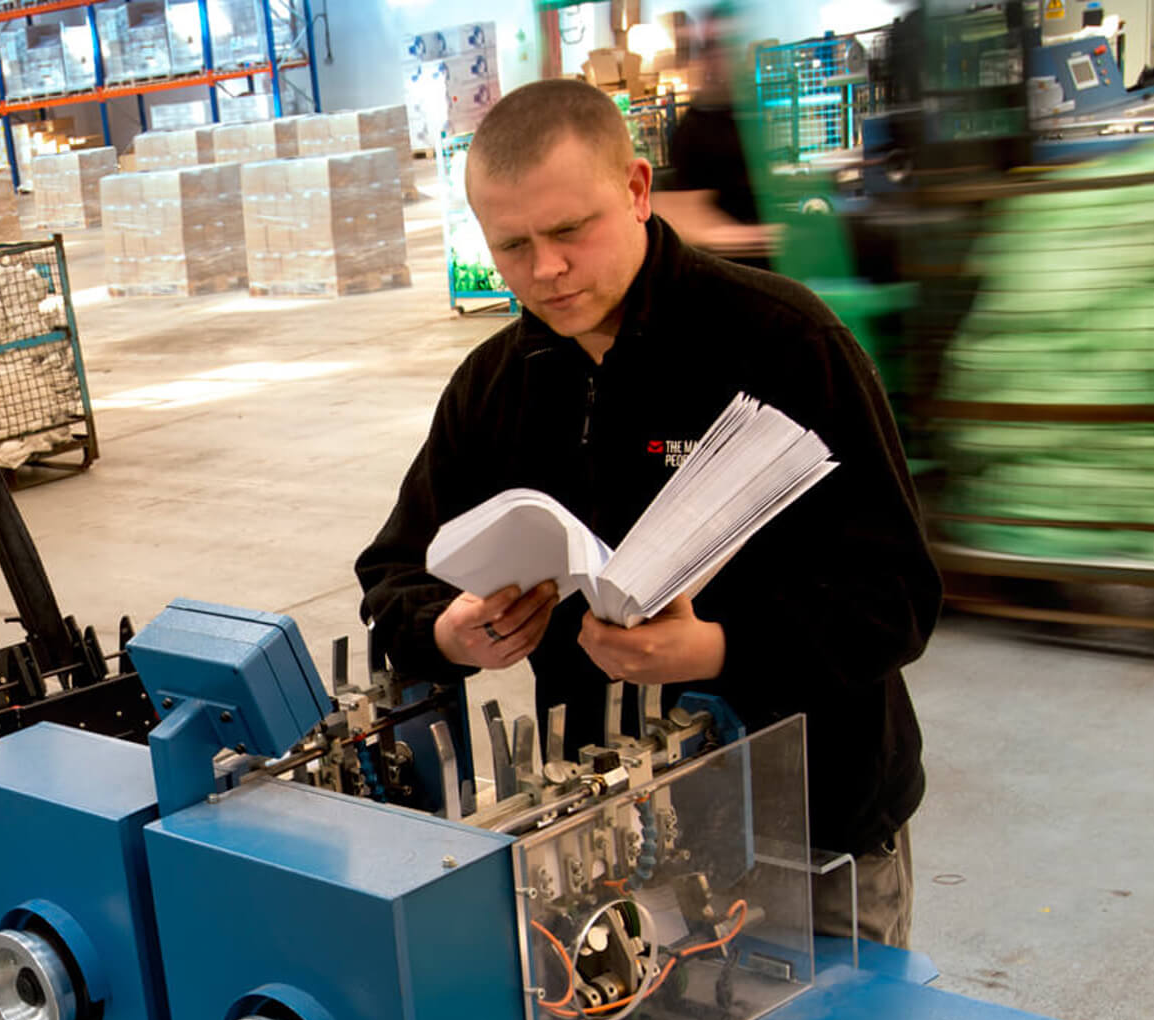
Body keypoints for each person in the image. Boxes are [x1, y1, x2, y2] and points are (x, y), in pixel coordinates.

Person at [354, 78, 941, 946]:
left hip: (811, 835)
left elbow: (897, 596)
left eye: (568, 232)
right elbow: (392, 571)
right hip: (610, 846)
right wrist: (452, 632)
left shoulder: (784, 344)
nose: (545, 270)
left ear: (635, 190)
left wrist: (720, 646)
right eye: (511, 245)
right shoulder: (495, 388)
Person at [648, 6, 783, 268]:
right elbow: (687, 220)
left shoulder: (744, 115)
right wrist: (759, 237)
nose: (725, 57)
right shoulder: (693, 130)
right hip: (727, 266)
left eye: (731, 47)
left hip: (761, 255)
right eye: (717, 48)